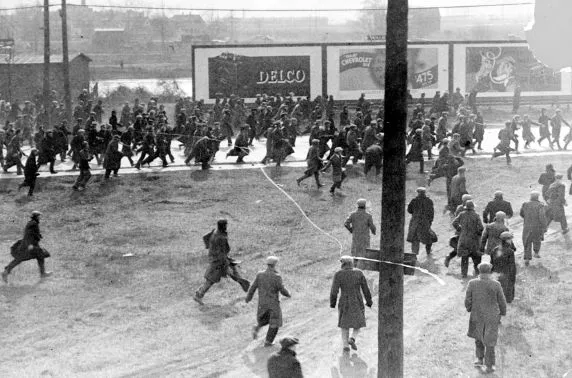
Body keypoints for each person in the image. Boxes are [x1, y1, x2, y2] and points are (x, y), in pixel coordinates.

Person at [193, 219, 250, 305]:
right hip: (219, 261)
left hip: (215, 258)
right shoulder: (221, 237)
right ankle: (199, 295)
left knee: (231, 271)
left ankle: (244, 285)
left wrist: (210, 248)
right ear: (223, 226)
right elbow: (225, 250)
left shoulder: (214, 231)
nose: (226, 227)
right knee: (212, 279)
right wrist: (225, 262)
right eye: (225, 225)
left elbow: (205, 237)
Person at [464, 262, 507, 375]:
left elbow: (467, 299)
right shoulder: (496, 284)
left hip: (477, 315)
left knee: (478, 337)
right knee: (490, 341)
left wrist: (470, 309)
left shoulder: (472, 283)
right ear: (490, 271)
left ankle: (479, 358)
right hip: (492, 316)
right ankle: (489, 365)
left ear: (479, 271)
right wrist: (502, 313)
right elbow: (502, 301)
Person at [330, 255, 373, 353]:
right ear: (352, 263)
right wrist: (369, 301)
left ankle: (345, 345)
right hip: (357, 300)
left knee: (344, 324)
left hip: (344, 301)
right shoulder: (359, 273)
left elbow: (334, 291)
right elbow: (365, 289)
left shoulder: (338, 274)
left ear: (343, 264)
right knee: (358, 322)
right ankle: (352, 338)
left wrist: (333, 303)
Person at [246, 256, 291, 347]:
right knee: (275, 322)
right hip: (273, 304)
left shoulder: (260, 275)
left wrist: (248, 298)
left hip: (262, 303)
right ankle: (268, 341)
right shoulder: (276, 276)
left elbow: (253, 287)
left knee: (265, 319)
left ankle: (257, 327)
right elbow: (281, 289)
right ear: (275, 265)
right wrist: (288, 294)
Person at [2, 211, 52, 283]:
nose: (40, 218)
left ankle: (6, 272)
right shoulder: (33, 224)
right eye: (39, 216)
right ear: (36, 216)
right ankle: (5, 272)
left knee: (22, 258)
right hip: (28, 246)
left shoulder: (32, 223)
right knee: (23, 258)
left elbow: (32, 235)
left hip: (28, 245)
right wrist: (30, 245)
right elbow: (28, 235)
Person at [452, 200, 484, 278]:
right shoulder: (476, 215)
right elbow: (481, 227)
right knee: (475, 256)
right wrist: (478, 233)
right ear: (473, 207)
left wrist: (459, 229)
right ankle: (477, 271)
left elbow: (454, 223)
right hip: (473, 239)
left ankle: (464, 274)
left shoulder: (461, 214)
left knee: (464, 256)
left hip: (463, 238)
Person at [520, 191, 547, 266]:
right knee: (537, 240)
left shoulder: (525, 204)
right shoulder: (540, 205)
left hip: (527, 226)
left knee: (527, 241)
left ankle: (527, 258)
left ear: (530, 196)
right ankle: (536, 252)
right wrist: (544, 226)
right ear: (537, 197)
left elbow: (521, 214)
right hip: (537, 227)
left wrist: (527, 219)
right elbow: (542, 217)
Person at [406, 187, 435, 256]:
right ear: (424, 193)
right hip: (425, 222)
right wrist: (429, 222)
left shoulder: (414, 200)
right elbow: (431, 213)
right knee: (428, 237)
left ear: (418, 192)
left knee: (415, 239)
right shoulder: (429, 201)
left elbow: (409, 210)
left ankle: (414, 255)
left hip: (415, 222)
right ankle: (428, 252)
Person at [491, 231, 517, 304]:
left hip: (496, 273)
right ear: (507, 240)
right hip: (506, 274)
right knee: (508, 289)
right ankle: (508, 301)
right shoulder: (510, 251)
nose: (511, 240)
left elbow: (491, 263)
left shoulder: (494, 249)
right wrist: (513, 276)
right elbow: (512, 266)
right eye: (510, 239)